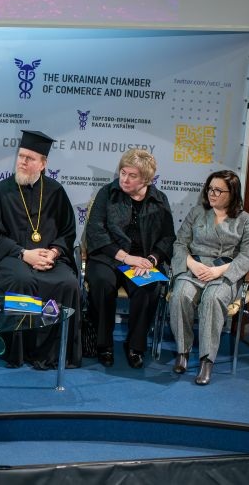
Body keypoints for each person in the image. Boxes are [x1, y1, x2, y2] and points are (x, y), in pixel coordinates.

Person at [0, 130, 81, 369]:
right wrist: (24, 254)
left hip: (49, 257)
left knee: (67, 283)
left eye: (29, 158)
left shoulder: (56, 192)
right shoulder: (1, 191)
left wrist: (54, 252)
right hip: (12, 256)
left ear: (43, 164)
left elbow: (67, 232)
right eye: (21, 156)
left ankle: (52, 354)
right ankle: (18, 352)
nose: (22, 162)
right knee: (21, 280)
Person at [85, 149, 175, 369]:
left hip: (142, 260)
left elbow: (167, 237)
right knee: (102, 283)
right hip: (108, 256)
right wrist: (126, 257)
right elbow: (96, 231)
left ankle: (135, 346)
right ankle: (103, 345)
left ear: (146, 179)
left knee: (149, 287)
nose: (124, 179)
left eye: (132, 175)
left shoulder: (159, 200)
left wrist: (151, 260)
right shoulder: (107, 193)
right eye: (123, 173)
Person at [168, 170, 249, 385]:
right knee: (180, 295)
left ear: (232, 193)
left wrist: (219, 271)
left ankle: (206, 361)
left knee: (212, 298)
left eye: (218, 190)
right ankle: (183, 351)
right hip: (196, 267)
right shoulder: (197, 212)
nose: (212, 193)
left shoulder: (246, 220)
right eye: (210, 188)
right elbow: (180, 243)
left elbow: (248, 255)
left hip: (225, 272)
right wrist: (192, 264)